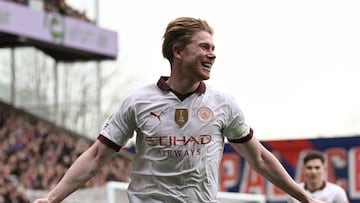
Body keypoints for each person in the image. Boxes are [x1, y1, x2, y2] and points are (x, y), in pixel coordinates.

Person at [34, 17, 325, 203]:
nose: (213, 54)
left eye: (213, 47)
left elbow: (259, 158)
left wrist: (303, 197)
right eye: (204, 47)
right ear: (178, 51)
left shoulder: (223, 104)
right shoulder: (138, 101)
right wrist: (51, 199)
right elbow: (97, 156)